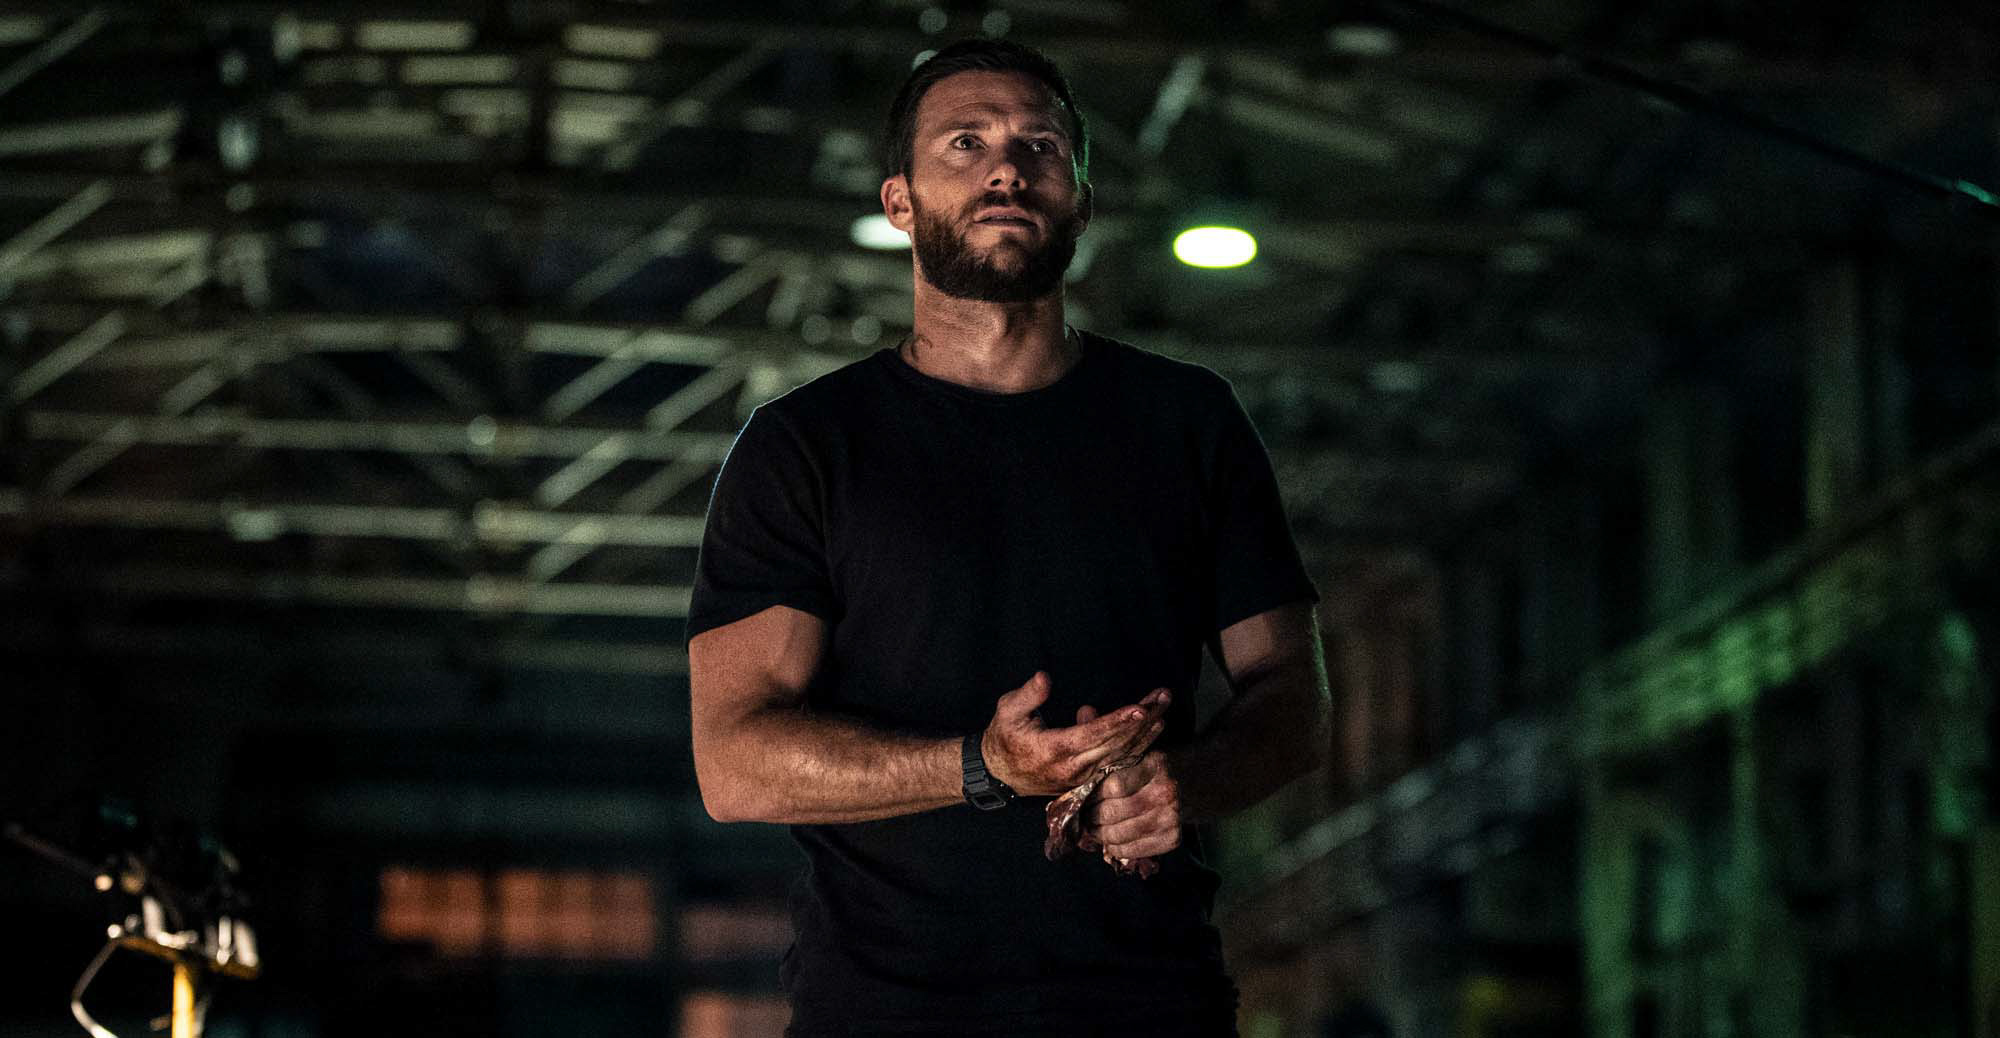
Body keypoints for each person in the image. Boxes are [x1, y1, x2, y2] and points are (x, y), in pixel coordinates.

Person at [686, 37, 1332, 1038]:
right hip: (885, 1012)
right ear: (899, 202)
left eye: (1040, 145)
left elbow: (1292, 699)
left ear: (1081, 199)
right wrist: (981, 766)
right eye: (966, 143)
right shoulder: (805, 446)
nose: (1006, 169)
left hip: (1147, 1004)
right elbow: (733, 765)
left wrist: (1182, 782)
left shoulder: (1186, 423)